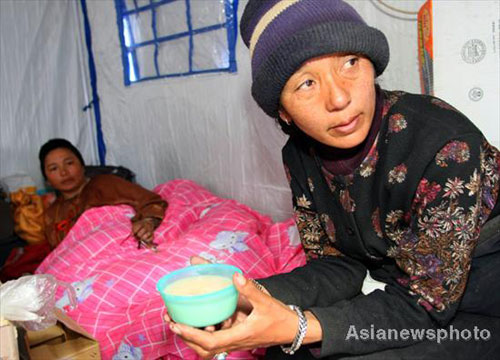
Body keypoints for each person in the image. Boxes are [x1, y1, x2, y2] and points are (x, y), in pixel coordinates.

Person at [165, 0, 500, 359]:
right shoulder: (299, 155)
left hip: (477, 307)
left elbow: (427, 303)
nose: (339, 97)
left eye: (350, 63)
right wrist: (246, 297)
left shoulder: (444, 144)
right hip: (398, 292)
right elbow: (338, 264)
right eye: (306, 83)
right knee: (283, 352)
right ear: (283, 110)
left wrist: (299, 326)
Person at [39, 138, 168, 250]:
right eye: (54, 168)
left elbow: (150, 201)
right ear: (47, 180)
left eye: (69, 163)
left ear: (83, 166)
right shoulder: (51, 215)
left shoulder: (105, 184)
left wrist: (147, 222)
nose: (64, 172)